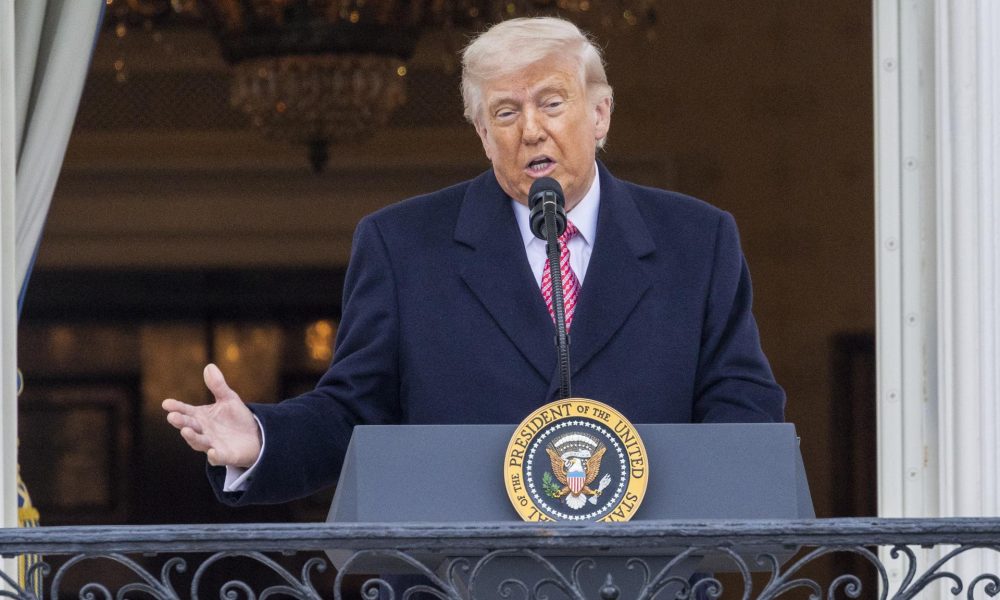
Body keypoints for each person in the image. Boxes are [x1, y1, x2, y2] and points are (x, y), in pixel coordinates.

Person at [163, 17, 784, 506]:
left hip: (644, 579)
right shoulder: (402, 245)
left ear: (600, 115)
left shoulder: (697, 240)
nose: (531, 130)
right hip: (457, 577)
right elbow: (355, 411)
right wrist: (262, 442)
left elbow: (742, 407)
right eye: (506, 113)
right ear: (483, 135)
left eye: (552, 102)